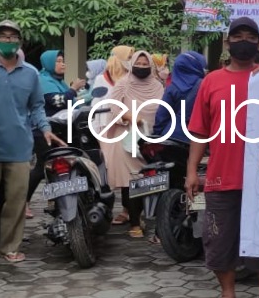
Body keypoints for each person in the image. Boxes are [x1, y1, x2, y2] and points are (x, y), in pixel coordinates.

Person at [186, 16, 259, 298]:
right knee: (218, 241)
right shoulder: (211, 82)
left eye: (250, 36)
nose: (244, 40)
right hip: (220, 176)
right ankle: (228, 294)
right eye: (237, 36)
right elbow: (200, 131)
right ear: (228, 43)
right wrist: (191, 171)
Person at [0, 21, 60, 263]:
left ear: (20, 42)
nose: (8, 41)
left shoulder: (31, 73)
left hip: (19, 146)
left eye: (13, 37)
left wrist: (45, 129)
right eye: (3, 36)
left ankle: (10, 246)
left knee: (16, 200)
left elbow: (37, 106)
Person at [100, 50, 165, 240]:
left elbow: (162, 108)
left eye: (146, 65)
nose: (142, 67)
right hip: (128, 139)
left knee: (150, 181)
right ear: (132, 64)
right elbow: (114, 107)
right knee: (133, 181)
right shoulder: (123, 84)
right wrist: (130, 117)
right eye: (140, 64)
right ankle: (135, 223)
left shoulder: (157, 85)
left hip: (152, 139)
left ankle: (145, 216)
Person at [26, 50, 87, 204]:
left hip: (61, 131)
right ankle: (23, 202)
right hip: (43, 131)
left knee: (65, 165)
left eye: (63, 61)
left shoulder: (59, 82)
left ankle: (59, 200)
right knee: (42, 167)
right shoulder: (43, 80)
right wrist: (73, 89)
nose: (62, 64)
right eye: (58, 61)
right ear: (48, 63)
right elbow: (57, 102)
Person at [94, 46, 134, 225]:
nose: (132, 60)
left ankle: (130, 211)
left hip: (128, 129)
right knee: (107, 173)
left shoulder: (132, 78)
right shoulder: (101, 80)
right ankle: (104, 211)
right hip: (106, 131)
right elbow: (97, 105)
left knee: (129, 172)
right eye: (129, 56)